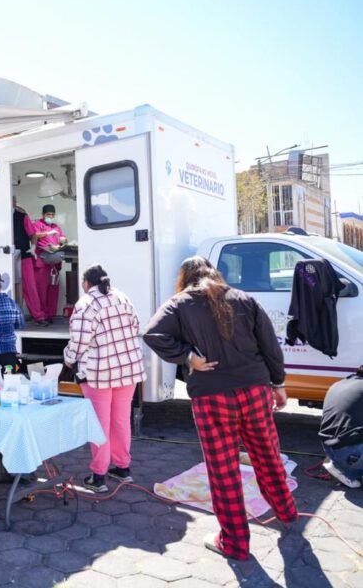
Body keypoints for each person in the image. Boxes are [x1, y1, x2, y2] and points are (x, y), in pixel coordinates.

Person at [143, 256, 298, 561]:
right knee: (267, 454)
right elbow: (270, 346)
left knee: (223, 470)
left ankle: (235, 543)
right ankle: (287, 512)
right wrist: (278, 384)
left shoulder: (179, 303)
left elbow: (152, 334)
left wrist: (188, 357)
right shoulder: (242, 298)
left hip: (212, 397)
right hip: (255, 390)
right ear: (215, 273)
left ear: (184, 276)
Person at [63, 265, 145, 493]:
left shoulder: (85, 304)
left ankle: (98, 476)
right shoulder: (123, 297)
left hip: (99, 373)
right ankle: (122, 468)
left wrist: (68, 359)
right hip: (128, 370)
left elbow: (79, 343)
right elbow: (136, 327)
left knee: (99, 424)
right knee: (120, 421)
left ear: (86, 283)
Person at [319, 367, 363, 488]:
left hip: (331, 446)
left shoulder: (340, 383)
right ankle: (348, 472)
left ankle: (344, 467)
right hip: (348, 451)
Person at [30, 204, 68, 325]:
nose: (50, 217)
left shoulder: (56, 227)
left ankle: (51, 314)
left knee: (53, 290)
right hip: (42, 261)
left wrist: (62, 241)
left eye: (52, 215)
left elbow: (63, 238)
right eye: (48, 215)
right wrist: (47, 233)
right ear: (43, 215)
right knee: (42, 291)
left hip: (54, 264)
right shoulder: (38, 224)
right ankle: (42, 315)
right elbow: (34, 236)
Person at [13, 197, 46, 324]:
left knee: (29, 286)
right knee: (10, 286)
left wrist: (32, 248)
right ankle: (14, 315)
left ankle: (38, 315)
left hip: (24, 255)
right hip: (6, 255)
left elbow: (32, 234)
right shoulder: (0, 217)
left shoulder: (22, 216)